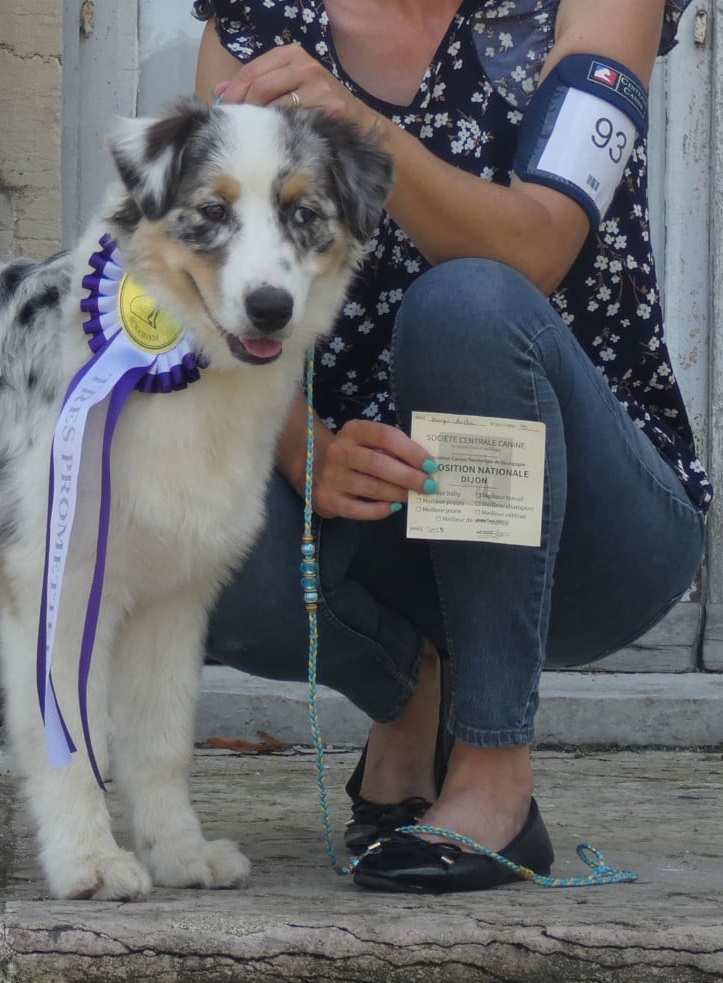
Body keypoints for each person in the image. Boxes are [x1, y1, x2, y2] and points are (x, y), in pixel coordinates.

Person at [194, 0, 710, 892]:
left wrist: (359, 129)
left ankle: (493, 771)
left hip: (596, 525)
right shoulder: (257, 27)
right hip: (382, 515)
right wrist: (298, 443)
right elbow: (202, 285)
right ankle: (408, 689)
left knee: (471, 304)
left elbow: (538, 246)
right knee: (194, 530)